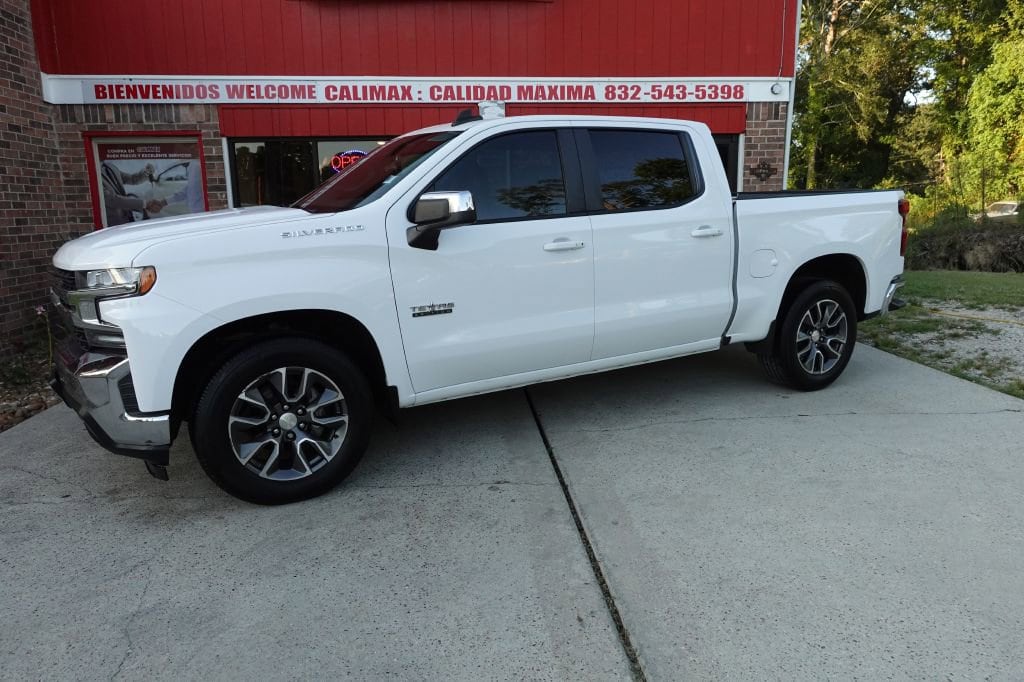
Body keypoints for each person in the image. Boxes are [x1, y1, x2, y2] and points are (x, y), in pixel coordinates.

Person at [100, 161, 164, 226]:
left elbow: (131, 179)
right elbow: (112, 200)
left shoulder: (109, 166)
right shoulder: (93, 175)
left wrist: (146, 173)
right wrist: (144, 204)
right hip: (111, 223)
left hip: (125, 218)